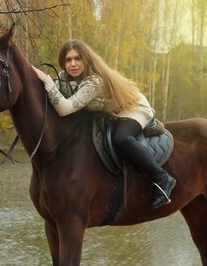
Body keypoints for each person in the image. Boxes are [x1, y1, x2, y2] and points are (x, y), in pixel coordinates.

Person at [33, 39, 176, 208]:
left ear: (86, 59)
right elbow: (53, 98)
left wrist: (46, 80)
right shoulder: (65, 78)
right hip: (111, 113)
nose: (73, 64)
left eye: (78, 58)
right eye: (68, 60)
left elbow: (65, 108)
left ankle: (163, 178)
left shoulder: (95, 82)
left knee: (121, 137)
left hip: (133, 107)